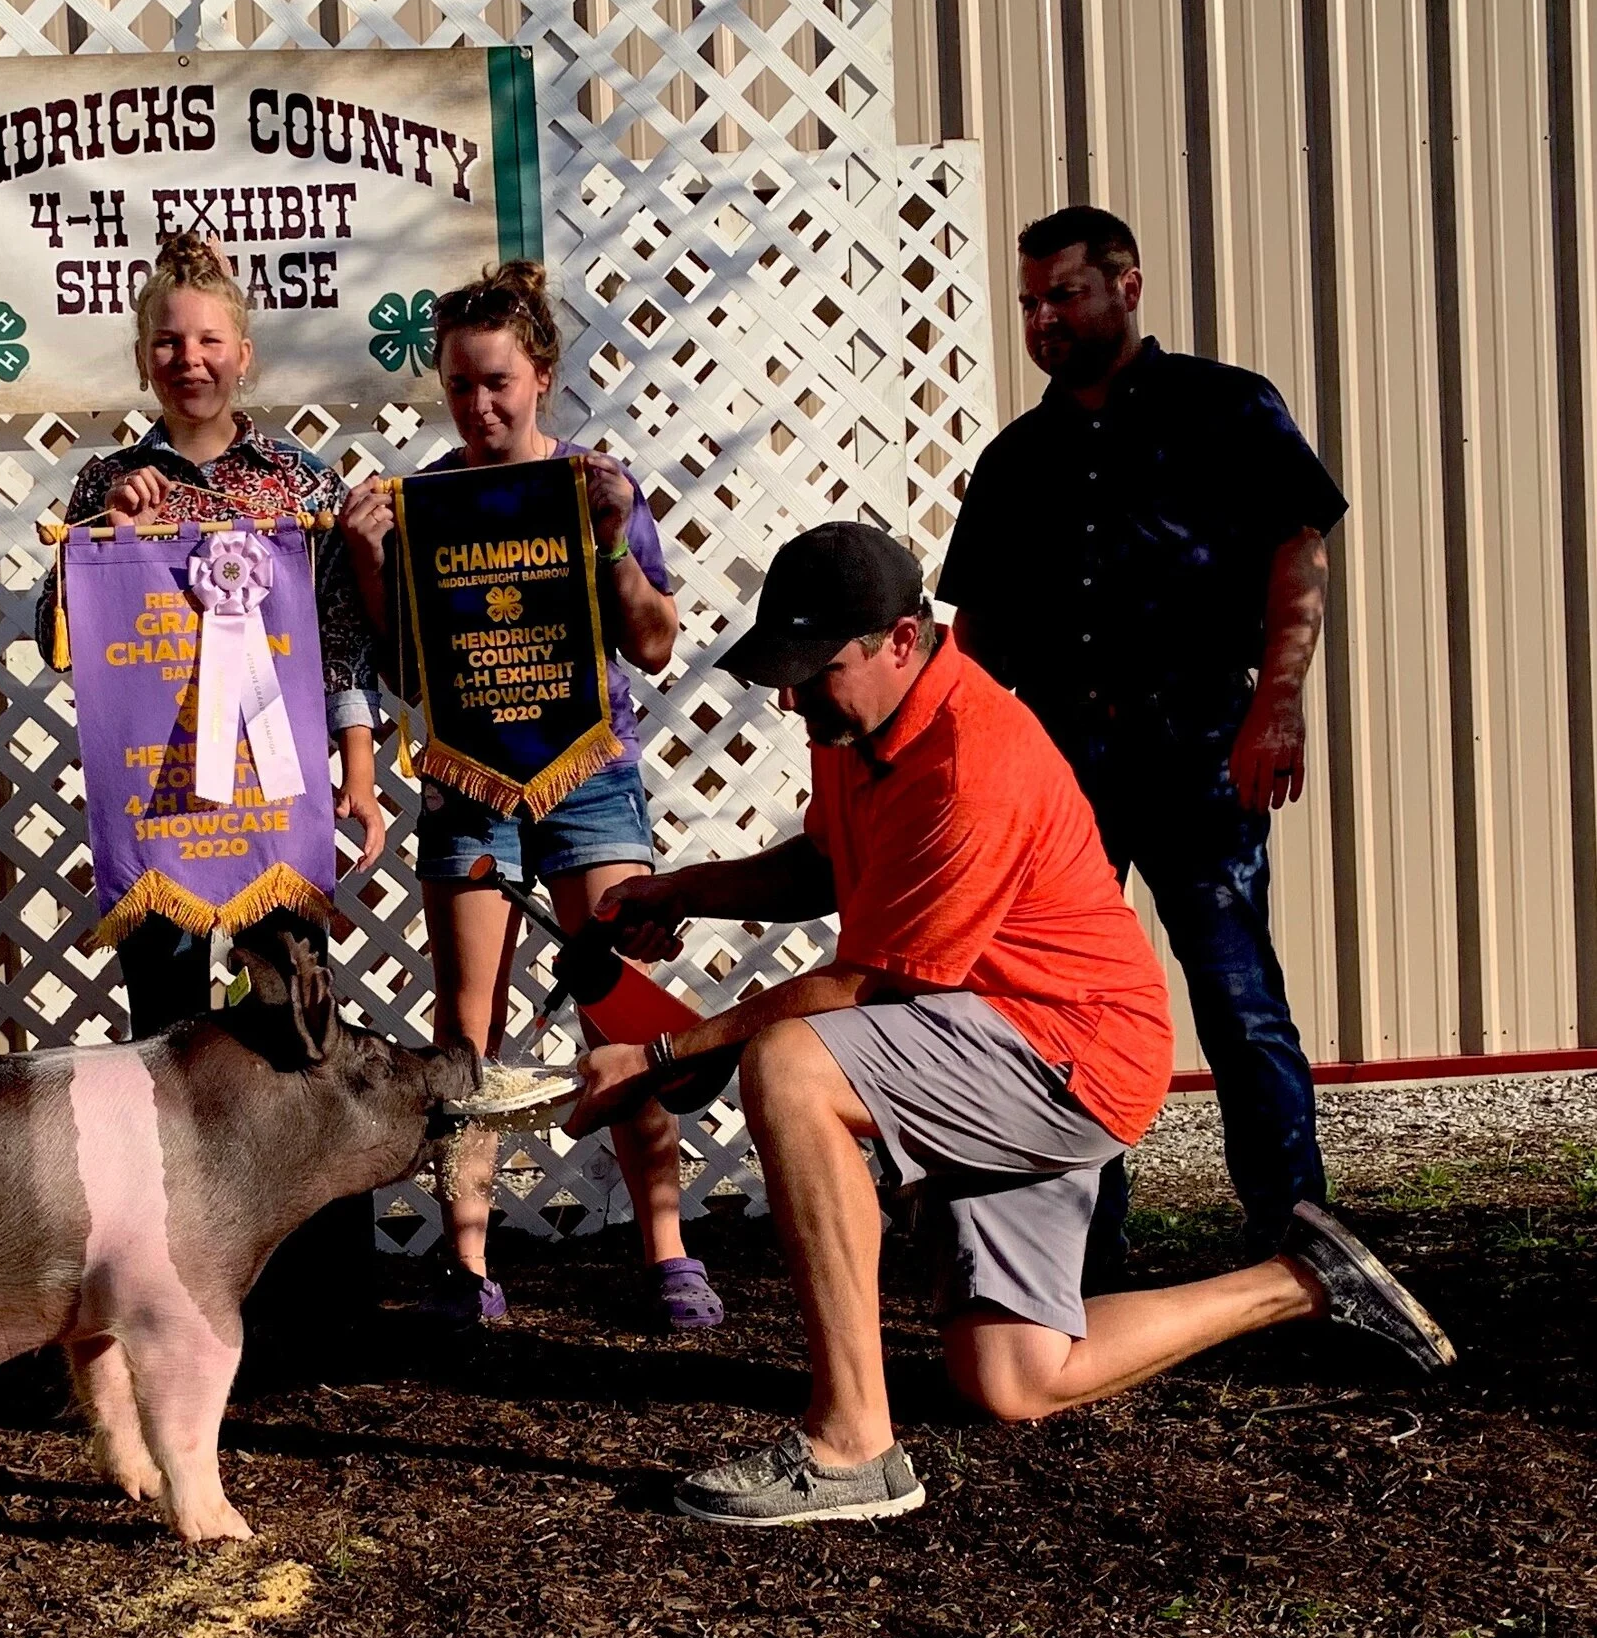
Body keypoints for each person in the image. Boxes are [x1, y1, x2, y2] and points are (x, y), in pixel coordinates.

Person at [570, 522, 1451, 1526]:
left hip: (1063, 1051)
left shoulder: (969, 758)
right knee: (1014, 1377)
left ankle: (852, 1440)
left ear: (903, 639)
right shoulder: (859, 729)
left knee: (790, 1064)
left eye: (816, 671)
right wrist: (685, 889)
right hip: (993, 1037)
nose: (791, 697)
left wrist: (662, 1052)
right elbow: (825, 864)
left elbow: (865, 985)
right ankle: (1302, 1277)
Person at [939, 205, 1342, 1273]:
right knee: (1059, 1000)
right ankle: (1081, 1244)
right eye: (1028, 302)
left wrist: (1280, 705)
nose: (1042, 320)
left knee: (1235, 993)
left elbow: (1297, 556)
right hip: (1056, 766)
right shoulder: (1016, 456)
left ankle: (1299, 1240)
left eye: (1062, 294)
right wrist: (972, 771)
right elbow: (973, 632)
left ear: (1127, 286)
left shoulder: (1226, 407)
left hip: (1203, 745)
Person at [341, 260, 709, 1330]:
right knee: (467, 1026)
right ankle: (467, 1260)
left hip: (589, 771)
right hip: (468, 779)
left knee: (622, 1004)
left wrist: (610, 538)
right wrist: (371, 563)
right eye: (459, 385)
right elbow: (412, 674)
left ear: (541, 373)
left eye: (496, 380)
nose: (479, 403)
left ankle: (668, 1249)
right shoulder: (424, 503)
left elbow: (649, 639)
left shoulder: (599, 484)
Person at [45, 232, 388, 1037]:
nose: (188, 358)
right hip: (158, 795)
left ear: (244, 354)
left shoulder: (298, 481)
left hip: (276, 788)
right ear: (142, 357)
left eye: (207, 340)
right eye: (168, 341)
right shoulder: (103, 482)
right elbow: (59, 641)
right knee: (169, 1036)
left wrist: (362, 776)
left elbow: (340, 642)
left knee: (293, 1020)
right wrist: (115, 535)